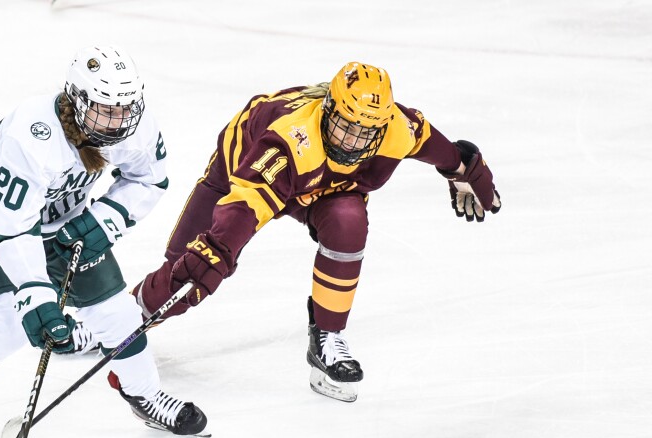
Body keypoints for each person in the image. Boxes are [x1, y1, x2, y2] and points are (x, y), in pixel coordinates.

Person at [0, 45, 208, 438]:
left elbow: (150, 179)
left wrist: (103, 220)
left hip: (63, 216)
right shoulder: (35, 134)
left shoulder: (132, 125)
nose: (119, 121)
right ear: (77, 101)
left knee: (117, 315)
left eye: (125, 109)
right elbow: (13, 230)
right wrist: (37, 295)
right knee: (7, 321)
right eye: (105, 110)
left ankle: (144, 391)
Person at [133, 61, 501, 403]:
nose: (351, 142)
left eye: (364, 133)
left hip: (325, 189)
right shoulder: (289, 141)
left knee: (348, 221)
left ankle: (327, 337)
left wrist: (464, 170)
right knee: (191, 267)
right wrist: (218, 251)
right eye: (345, 126)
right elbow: (245, 203)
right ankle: (128, 315)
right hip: (245, 171)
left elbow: (445, 152)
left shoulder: (396, 129)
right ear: (327, 110)